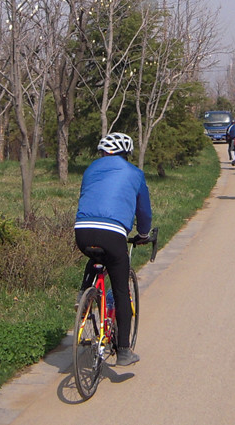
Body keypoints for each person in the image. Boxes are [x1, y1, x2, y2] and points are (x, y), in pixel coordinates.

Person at [75, 132, 152, 367]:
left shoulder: (90, 170)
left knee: (95, 255)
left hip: (83, 231)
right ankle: (124, 351)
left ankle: (84, 295)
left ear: (103, 152)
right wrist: (143, 234)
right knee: (120, 291)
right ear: (125, 153)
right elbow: (144, 212)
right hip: (112, 234)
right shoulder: (135, 174)